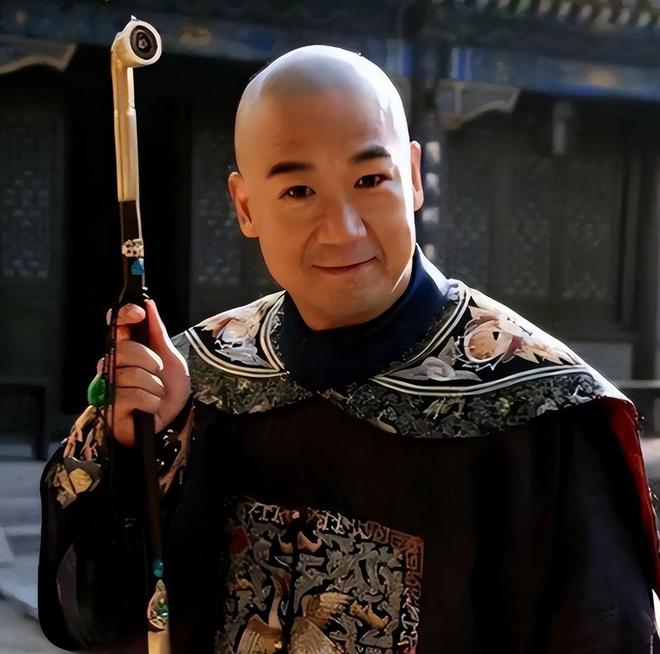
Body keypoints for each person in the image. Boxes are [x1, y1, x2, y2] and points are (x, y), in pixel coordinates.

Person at [39, 45, 659, 654]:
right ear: (246, 206)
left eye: (369, 180)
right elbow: (97, 617)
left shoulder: (542, 408)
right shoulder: (198, 378)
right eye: (298, 191)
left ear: (412, 177)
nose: (344, 229)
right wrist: (139, 450)